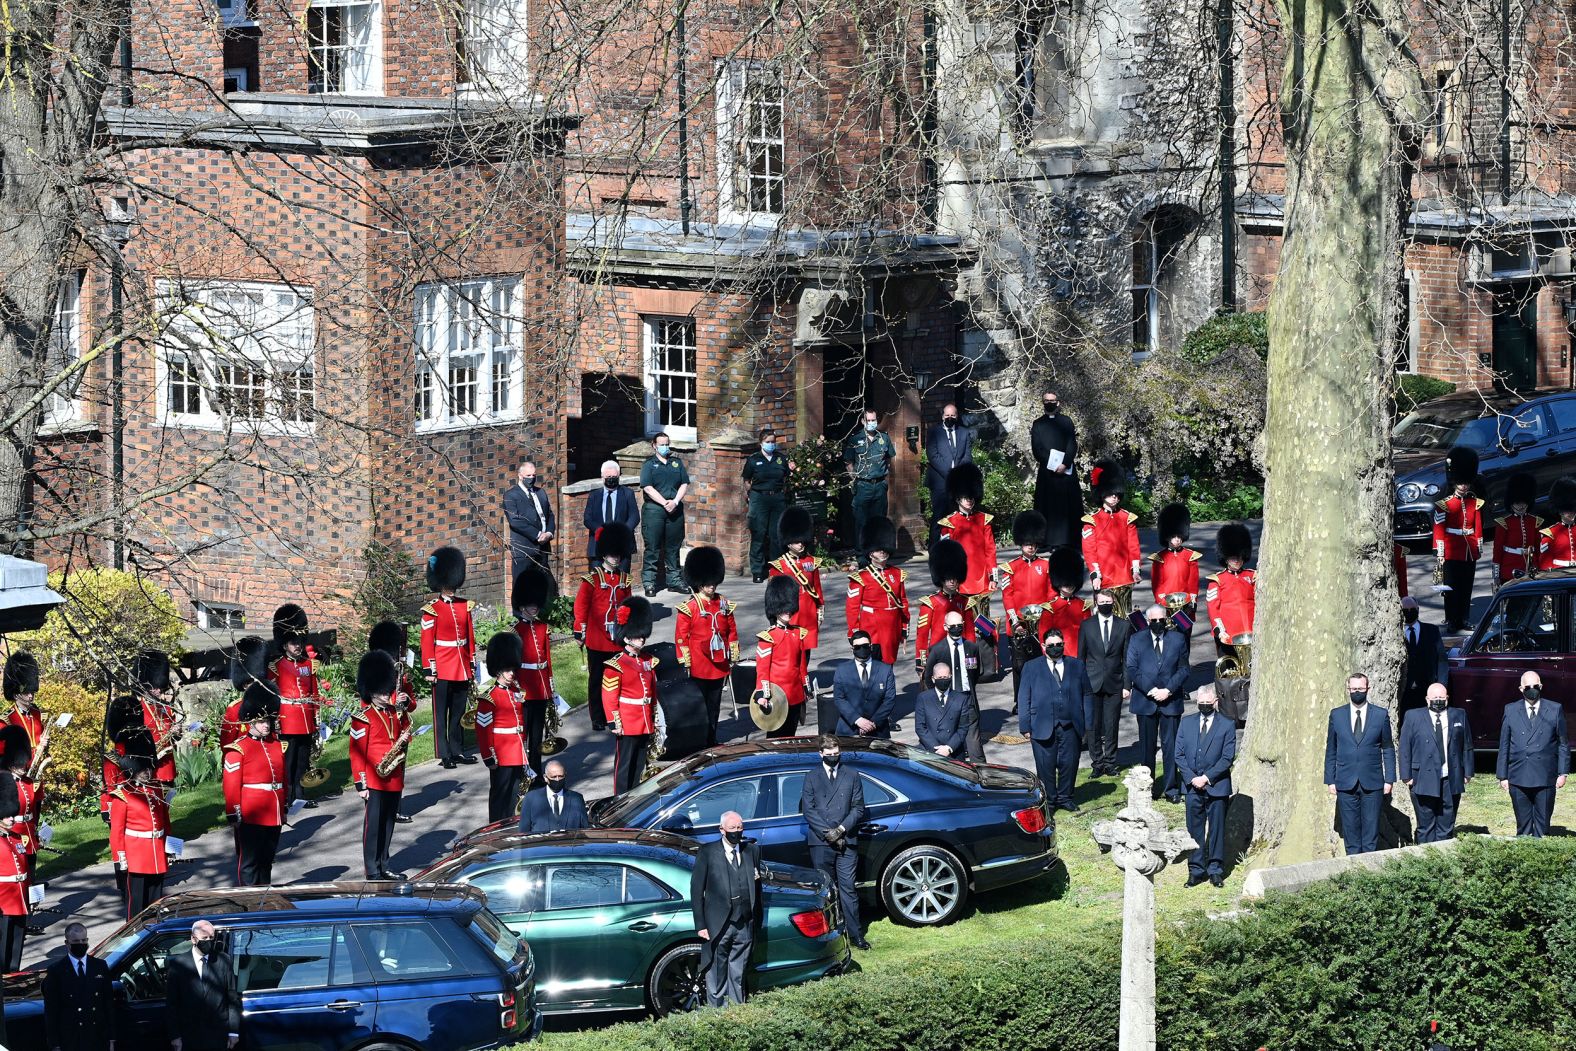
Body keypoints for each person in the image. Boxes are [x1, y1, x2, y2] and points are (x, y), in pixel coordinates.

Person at [349, 650, 411, 880]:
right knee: (373, 827)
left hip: (392, 776)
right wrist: (360, 784)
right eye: (383, 692)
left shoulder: (394, 714)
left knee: (388, 824)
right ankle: (372, 869)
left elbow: (406, 734)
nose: (387, 696)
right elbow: (356, 753)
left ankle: (384, 864)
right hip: (374, 779)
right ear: (372, 691)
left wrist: (404, 716)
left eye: (388, 692)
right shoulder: (363, 717)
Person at [800, 736, 867, 949]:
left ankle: (855, 934)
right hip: (821, 842)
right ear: (820, 754)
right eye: (828, 755)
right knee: (826, 891)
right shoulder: (811, 777)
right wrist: (827, 833)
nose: (832, 758)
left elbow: (858, 808)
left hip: (846, 840)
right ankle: (829, 935)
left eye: (836, 754)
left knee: (848, 889)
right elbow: (808, 810)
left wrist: (840, 830)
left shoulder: (852, 775)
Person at [691, 810, 761, 1005]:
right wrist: (701, 924)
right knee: (716, 973)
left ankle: (738, 1011)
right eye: (732, 828)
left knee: (738, 973)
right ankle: (717, 1014)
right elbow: (696, 891)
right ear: (722, 829)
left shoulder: (751, 851)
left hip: (744, 923)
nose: (736, 832)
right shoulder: (707, 852)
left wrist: (756, 920)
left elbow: (758, 888)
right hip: (718, 924)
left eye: (740, 828)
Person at [1323, 672, 1396, 855]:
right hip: (1345, 782)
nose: (1357, 692)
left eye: (1360, 689)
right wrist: (1330, 780)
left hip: (1373, 782)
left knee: (1371, 832)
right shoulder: (1337, 715)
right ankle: (1352, 868)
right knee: (1351, 832)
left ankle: (1368, 872)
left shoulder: (1380, 715)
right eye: (1353, 689)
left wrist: (1389, 779)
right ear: (1348, 689)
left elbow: (1387, 748)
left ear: (1368, 689)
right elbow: (1331, 748)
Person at [1018, 629, 1090, 812]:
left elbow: (1087, 694)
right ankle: (1049, 801)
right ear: (1043, 647)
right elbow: (1023, 696)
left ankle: (1065, 798)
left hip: (1071, 725)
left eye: (1059, 645)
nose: (1056, 648)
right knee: (1045, 766)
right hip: (1041, 726)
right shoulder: (1031, 667)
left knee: (1069, 763)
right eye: (1052, 646)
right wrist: (1024, 725)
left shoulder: (1077, 665)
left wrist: (1087, 722)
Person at [222, 684, 286, 886]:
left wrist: (283, 805)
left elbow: (283, 779)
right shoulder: (238, 749)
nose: (266, 724)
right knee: (250, 863)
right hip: (252, 812)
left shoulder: (276, 745)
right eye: (261, 720)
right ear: (250, 720)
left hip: (273, 809)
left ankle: (264, 896)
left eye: (268, 719)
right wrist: (234, 812)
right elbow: (231, 786)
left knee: (266, 860)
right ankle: (249, 901)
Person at [574, 522, 636, 732]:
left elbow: (628, 605)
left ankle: (616, 714)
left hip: (617, 638)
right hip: (597, 638)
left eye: (618, 554)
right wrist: (579, 629)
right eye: (612, 554)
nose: (616, 558)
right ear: (604, 555)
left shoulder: (625, 580)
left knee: (618, 679)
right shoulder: (591, 579)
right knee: (597, 680)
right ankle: (598, 717)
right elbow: (581, 606)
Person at [421, 546, 478, 769]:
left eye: (453, 583)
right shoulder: (432, 609)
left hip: (461, 665)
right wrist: (429, 669)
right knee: (441, 713)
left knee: (458, 711)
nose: (451, 588)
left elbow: (470, 637)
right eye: (448, 584)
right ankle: (444, 752)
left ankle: (457, 749)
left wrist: (472, 662)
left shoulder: (465, 606)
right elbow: (427, 643)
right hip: (442, 666)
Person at [676, 546, 739, 747]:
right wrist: (685, 660)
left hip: (719, 663)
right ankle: (698, 741)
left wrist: (733, 652)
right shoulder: (690, 607)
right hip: (699, 664)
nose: (711, 587)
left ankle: (711, 739)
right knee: (699, 706)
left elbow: (731, 630)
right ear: (699, 582)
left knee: (714, 705)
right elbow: (681, 636)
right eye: (707, 583)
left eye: (713, 583)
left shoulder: (723, 603)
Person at [1175, 684, 1235, 888]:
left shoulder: (1227, 725)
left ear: (1216, 702)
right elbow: (1179, 755)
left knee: (1217, 829)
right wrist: (1192, 778)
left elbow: (1227, 758)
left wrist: (1207, 777)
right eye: (1201, 703)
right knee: (1194, 829)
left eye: (1208, 703)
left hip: (1216, 786)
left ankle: (1216, 870)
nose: (1204, 706)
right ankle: (1195, 870)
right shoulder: (1186, 723)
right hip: (1192, 786)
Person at [107, 730, 171, 920]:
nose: (147, 772)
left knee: (155, 903)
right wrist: (121, 859)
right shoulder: (123, 794)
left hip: (157, 852)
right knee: (135, 906)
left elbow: (164, 821)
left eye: (149, 767)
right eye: (143, 768)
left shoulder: (156, 788)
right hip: (136, 856)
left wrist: (169, 846)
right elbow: (116, 832)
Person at [1126, 604, 1188, 799]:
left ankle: (1171, 789)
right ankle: (1148, 789)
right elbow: (1132, 668)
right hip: (1146, 702)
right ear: (1148, 621)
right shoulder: (1137, 639)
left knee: (1171, 748)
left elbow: (1184, 669)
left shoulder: (1177, 639)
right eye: (1154, 621)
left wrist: (1168, 690)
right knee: (1147, 749)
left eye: (1162, 620)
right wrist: (1153, 691)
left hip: (1170, 701)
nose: (1158, 624)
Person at [1497, 671, 1569, 838]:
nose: (1532, 690)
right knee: (1523, 825)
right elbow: (1504, 744)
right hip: (1518, 776)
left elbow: (1563, 744)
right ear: (1521, 688)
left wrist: (1562, 773)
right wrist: (1502, 776)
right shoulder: (1511, 710)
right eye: (1528, 687)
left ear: (1541, 686)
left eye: (1535, 686)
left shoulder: (1554, 709)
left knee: (1543, 826)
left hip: (1545, 776)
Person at [1400, 683, 1473, 844]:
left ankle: (1443, 855)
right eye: (1435, 698)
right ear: (1427, 699)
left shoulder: (1459, 715)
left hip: (1450, 777)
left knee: (1447, 821)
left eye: (1442, 698)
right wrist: (1406, 775)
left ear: (1447, 698)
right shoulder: (1413, 716)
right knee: (1425, 823)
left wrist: (1467, 772)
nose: (1438, 700)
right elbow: (1405, 746)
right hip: (1422, 777)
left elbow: (1466, 745)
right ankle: (1424, 856)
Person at [267, 603, 322, 809]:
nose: (297, 646)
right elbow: (272, 695)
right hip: (287, 719)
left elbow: (314, 693)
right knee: (288, 761)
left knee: (302, 759)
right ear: (284, 645)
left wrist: (316, 716)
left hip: (306, 718)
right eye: (292, 642)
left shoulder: (309, 665)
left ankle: (301, 794)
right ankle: (288, 796)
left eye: (299, 642)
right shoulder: (277, 666)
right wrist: (275, 720)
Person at [603, 597, 659, 793]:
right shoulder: (616, 664)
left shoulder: (647, 660)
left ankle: (634, 796)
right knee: (624, 764)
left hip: (644, 720)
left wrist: (653, 716)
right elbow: (609, 696)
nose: (641, 639)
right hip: (627, 721)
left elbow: (652, 691)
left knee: (639, 762)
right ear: (626, 638)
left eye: (642, 635)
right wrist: (613, 722)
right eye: (637, 636)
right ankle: (619, 798)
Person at [769, 507, 826, 685]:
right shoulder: (779, 566)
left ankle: (804, 680)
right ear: (787, 542)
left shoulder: (811, 562)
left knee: (806, 650)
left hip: (808, 613)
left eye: (802, 540)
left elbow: (817, 588)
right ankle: (792, 680)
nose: (800, 544)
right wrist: (774, 616)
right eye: (795, 540)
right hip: (790, 614)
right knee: (790, 650)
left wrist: (820, 608)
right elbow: (774, 594)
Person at [998, 510, 1053, 697]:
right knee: (1019, 665)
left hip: (1041, 622)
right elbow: (1007, 597)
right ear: (1021, 543)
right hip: (1019, 623)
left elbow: (1051, 594)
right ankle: (1020, 699)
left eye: (1033, 544)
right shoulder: (1010, 569)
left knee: (1042, 661)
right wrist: (1015, 622)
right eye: (1027, 544)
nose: (1031, 547)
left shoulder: (1045, 566)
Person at [1078, 590, 1131, 779]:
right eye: (1102, 601)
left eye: (1108, 601)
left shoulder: (1124, 626)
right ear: (1096, 603)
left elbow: (1127, 658)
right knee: (1092, 726)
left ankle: (1110, 763)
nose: (1105, 604)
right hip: (1092, 684)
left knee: (1111, 726)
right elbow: (1080, 658)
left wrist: (1127, 685)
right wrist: (1081, 684)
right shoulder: (1086, 626)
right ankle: (1097, 763)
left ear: (1114, 602)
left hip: (1115, 683)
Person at [165, 919, 240, 1051]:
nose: (209, 941)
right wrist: (175, 1036)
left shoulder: (223, 960)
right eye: (204, 938)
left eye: (211, 937)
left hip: (218, 1034)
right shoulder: (179, 964)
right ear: (193, 939)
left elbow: (232, 998)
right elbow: (172, 1003)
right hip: (190, 1036)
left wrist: (233, 1032)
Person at [478, 633, 529, 824]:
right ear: (498, 670)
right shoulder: (488, 697)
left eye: (513, 670)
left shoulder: (516, 691)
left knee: (514, 794)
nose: (512, 674)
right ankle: (495, 828)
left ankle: (510, 826)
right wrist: (488, 756)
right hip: (501, 753)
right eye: (507, 670)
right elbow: (484, 732)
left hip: (517, 751)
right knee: (500, 795)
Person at [512, 567, 558, 783]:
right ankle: (523, 770)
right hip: (526, 689)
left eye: (536, 604)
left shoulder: (542, 628)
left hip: (540, 689)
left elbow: (546, 660)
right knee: (524, 733)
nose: (535, 608)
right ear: (522, 606)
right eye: (531, 605)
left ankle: (537, 770)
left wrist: (550, 688)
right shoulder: (517, 631)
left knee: (537, 734)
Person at [1081, 460, 1142, 618]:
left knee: (1125, 619)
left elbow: (1133, 547)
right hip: (1104, 578)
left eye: (1116, 494)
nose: (1114, 497)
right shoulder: (1091, 521)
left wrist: (1135, 570)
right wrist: (1095, 574)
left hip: (1124, 576)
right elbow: (1089, 551)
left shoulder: (1127, 518)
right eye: (1110, 493)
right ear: (1102, 493)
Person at [844, 517, 909, 665]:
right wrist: (854, 633)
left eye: (884, 548)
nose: (882, 552)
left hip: (892, 627)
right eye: (878, 549)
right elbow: (852, 609)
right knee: (873, 666)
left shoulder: (897, 574)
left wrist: (904, 628)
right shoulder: (861, 577)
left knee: (889, 665)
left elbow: (903, 603)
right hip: (871, 628)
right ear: (870, 551)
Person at [1432, 446, 1483, 633]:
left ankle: (1464, 618)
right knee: (1451, 588)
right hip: (1452, 550)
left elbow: (1477, 527)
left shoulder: (1474, 502)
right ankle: (1452, 619)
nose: (1464, 486)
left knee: (1466, 586)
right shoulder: (1444, 505)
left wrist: (1477, 546)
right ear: (1454, 482)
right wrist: (1439, 552)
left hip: (1469, 550)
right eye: (1461, 482)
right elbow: (1438, 529)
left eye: (1466, 482)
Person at [43, 922, 113, 1051]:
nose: (80, 944)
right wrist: (55, 1045)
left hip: (97, 1037)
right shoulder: (56, 971)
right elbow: (52, 1012)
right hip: (71, 1040)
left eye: (83, 940)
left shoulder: (99, 966)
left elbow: (108, 1004)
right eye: (75, 941)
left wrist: (111, 1038)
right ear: (67, 943)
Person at [926, 611, 985, 762]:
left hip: (967, 698)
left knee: (975, 747)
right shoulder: (937, 650)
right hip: (947, 701)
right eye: (953, 626)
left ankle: (980, 777)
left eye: (960, 625)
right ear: (945, 627)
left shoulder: (971, 647)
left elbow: (976, 673)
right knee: (950, 745)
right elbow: (928, 678)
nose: (957, 629)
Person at [755, 578, 809, 738]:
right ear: (775, 608)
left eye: (789, 608)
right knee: (775, 738)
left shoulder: (798, 633)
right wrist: (762, 693)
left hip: (795, 693)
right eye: (784, 608)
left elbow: (801, 665)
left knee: (791, 735)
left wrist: (805, 686)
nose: (788, 612)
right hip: (776, 694)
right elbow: (762, 669)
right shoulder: (768, 637)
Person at [914, 539, 977, 675]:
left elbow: (970, 632)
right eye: (948, 578)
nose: (952, 581)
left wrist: (971, 658)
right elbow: (922, 636)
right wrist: (921, 661)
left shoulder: (965, 602)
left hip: (961, 652)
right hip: (938, 655)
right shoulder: (930, 603)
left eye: (954, 577)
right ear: (941, 578)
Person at [937, 462, 997, 602]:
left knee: (983, 622)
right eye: (965, 496)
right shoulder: (948, 523)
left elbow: (990, 551)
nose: (969, 500)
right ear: (957, 497)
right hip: (960, 581)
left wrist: (993, 577)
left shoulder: (984, 520)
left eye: (971, 496)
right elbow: (946, 556)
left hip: (982, 580)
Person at [639, 433, 691, 595]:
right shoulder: (649, 465)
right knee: (652, 547)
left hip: (674, 509)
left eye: (667, 444)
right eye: (661, 444)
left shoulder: (676, 463)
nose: (665, 447)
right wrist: (664, 503)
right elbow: (647, 487)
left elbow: (684, 483)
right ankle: (649, 583)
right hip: (655, 510)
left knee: (673, 547)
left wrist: (674, 501)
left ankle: (674, 580)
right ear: (654, 445)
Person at [1030, 392, 1081, 550]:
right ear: (1043, 403)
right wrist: (1052, 464)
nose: (1050, 403)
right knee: (1047, 507)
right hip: (1047, 472)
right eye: (1047, 401)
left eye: (1052, 401)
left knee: (1068, 506)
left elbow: (1072, 444)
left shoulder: (1066, 422)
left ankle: (1070, 540)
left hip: (1066, 472)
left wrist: (1064, 463)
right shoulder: (1037, 424)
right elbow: (1037, 448)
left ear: (1058, 403)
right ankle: (1047, 542)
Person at [845, 409, 896, 566]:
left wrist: (881, 476)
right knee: (861, 523)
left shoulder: (884, 438)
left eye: (874, 420)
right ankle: (862, 557)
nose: (872, 423)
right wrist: (855, 479)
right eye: (869, 420)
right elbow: (848, 462)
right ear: (863, 421)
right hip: (863, 486)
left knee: (878, 522)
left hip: (879, 485)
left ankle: (878, 554)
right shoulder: (855, 440)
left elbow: (888, 459)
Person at [743, 426, 792, 581]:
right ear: (761, 443)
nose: (771, 444)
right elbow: (746, 480)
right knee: (758, 534)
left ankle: (775, 568)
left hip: (777, 499)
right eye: (768, 442)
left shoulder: (781, 459)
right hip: (759, 498)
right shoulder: (753, 460)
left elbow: (785, 477)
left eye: (773, 442)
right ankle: (757, 571)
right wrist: (751, 496)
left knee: (776, 535)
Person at [0, 727, 30, 969]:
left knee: (16, 950)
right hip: (4, 902)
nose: (12, 819)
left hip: (19, 899)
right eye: (8, 817)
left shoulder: (16, 839)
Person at [1149, 503, 1200, 642]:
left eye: (1179, 536)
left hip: (1185, 606)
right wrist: (1161, 601)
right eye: (1173, 536)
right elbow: (1156, 584)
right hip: (1166, 605)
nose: (1177, 539)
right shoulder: (1159, 558)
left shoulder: (1190, 556)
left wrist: (1193, 600)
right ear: (1167, 537)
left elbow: (1193, 581)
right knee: (1167, 640)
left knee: (1184, 639)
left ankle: (1184, 664)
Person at [925, 403, 975, 543]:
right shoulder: (934, 432)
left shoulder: (964, 433)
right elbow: (933, 456)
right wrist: (950, 475)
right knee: (939, 516)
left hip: (958, 483)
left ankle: (956, 546)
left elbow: (967, 456)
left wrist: (957, 476)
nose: (950, 417)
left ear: (957, 416)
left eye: (953, 415)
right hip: (940, 482)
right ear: (942, 416)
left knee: (957, 516)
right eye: (947, 415)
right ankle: (934, 548)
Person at [832, 630, 896, 739]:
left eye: (865, 646)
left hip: (878, 731)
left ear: (871, 646)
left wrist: (872, 723)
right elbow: (839, 698)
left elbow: (889, 700)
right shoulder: (842, 670)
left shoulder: (885, 669)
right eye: (857, 647)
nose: (862, 649)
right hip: (848, 730)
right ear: (852, 649)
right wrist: (858, 720)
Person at [1207, 524, 1257, 659]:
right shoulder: (1217, 580)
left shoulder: (1252, 576)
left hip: (1251, 628)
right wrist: (1221, 631)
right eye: (1234, 558)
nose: (1237, 561)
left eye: (1240, 557)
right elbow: (1213, 609)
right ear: (1226, 558)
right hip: (1229, 632)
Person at [583, 460, 640, 572]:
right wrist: (600, 531)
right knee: (597, 582)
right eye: (608, 476)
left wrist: (621, 532)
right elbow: (587, 519)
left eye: (614, 476)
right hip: (598, 544)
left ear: (619, 476)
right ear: (602, 477)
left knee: (622, 583)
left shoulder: (628, 493)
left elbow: (634, 516)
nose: (611, 479)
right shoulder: (594, 495)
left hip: (621, 544)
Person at [132, 650, 179, 785]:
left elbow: (175, 737)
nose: (158, 691)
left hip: (167, 768)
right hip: (147, 770)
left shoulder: (166, 708)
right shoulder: (135, 708)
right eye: (154, 687)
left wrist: (177, 732)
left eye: (160, 687)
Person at [504, 461, 556, 582]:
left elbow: (550, 515)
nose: (531, 478)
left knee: (541, 587)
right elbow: (515, 521)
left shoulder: (541, 493)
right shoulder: (511, 495)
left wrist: (549, 533)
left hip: (542, 548)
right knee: (521, 587)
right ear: (520, 475)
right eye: (528, 476)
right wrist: (537, 535)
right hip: (524, 550)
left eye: (533, 475)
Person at [1400, 597, 1447, 715]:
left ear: (1418, 609)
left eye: (1412, 609)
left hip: (1428, 690)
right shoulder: (1396, 634)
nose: (1409, 612)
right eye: (1405, 610)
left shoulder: (1432, 631)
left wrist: (1441, 685)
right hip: (1404, 692)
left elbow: (1442, 660)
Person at [519, 760, 591, 834]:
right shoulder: (531, 798)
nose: (557, 780)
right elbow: (524, 832)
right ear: (545, 778)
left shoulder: (576, 799)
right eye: (554, 777)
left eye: (561, 776)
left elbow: (584, 830)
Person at [1494, 472, 1542, 582]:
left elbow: (1538, 549)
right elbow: (1497, 552)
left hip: (1531, 568)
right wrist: (1496, 575)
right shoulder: (1504, 523)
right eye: (1517, 503)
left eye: (1524, 503)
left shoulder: (1535, 522)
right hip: (1510, 568)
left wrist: (1541, 568)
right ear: (1511, 503)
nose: (1521, 506)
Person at [1043, 546, 1089, 659]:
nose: (1069, 586)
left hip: (1080, 654)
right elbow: (1043, 635)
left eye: (1071, 583)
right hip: (1058, 655)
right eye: (1065, 583)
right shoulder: (1050, 607)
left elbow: (1089, 633)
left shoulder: (1083, 606)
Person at [915, 661, 968, 758]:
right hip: (929, 750)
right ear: (933, 679)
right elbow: (920, 727)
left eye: (946, 677)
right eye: (940, 678)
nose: (943, 680)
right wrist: (937, 749)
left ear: (950, 677)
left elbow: (963, 728)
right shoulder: (923, 698)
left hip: (953, 751)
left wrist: (948, 748)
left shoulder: (961, 699)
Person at [3, 651, 46, 762]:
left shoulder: (38, 714)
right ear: (16, 694)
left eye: (32, 692)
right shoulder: (6, 720)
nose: (31, 696)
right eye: (27, 693)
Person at [1539, 476, 1576, 572]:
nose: (1571, 513)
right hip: (1559, 574)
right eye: (1567, 510)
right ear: (1560, 511)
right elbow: (1545, 564)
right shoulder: (1550, 533)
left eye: (1572, 510)